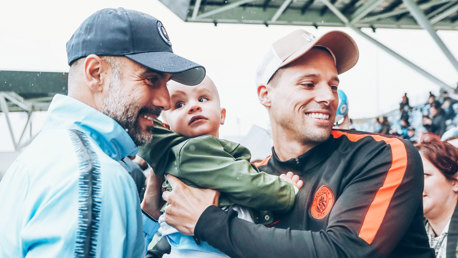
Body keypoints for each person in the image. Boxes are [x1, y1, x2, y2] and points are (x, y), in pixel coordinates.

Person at [144, 29, 435, 257]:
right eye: (308, 84)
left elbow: (346, 251)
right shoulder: (250, 173)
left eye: (333, 85)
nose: (328, 96)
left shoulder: (382, 154)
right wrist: (152, 204)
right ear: (265, 95)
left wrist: (207, 221)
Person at [0, 7, 206, 257]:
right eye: (151, 80)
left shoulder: (46, 155)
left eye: (165, 83)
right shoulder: (92, 177)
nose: (164, 100)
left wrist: (150, 211)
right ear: (96, 74)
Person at [139, 76, 302, 257]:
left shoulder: (186, 155)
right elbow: (246, 183)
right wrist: (287, 191)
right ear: (167, 127)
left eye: (202, 99)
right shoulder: (193, 151)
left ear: (222, 115)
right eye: (179, 104)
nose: (193, 106)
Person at [416, 138, 457, 258]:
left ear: (455, 182)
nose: (413, 184)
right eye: (409, 177)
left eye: (424, 175)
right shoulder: (406, 234)